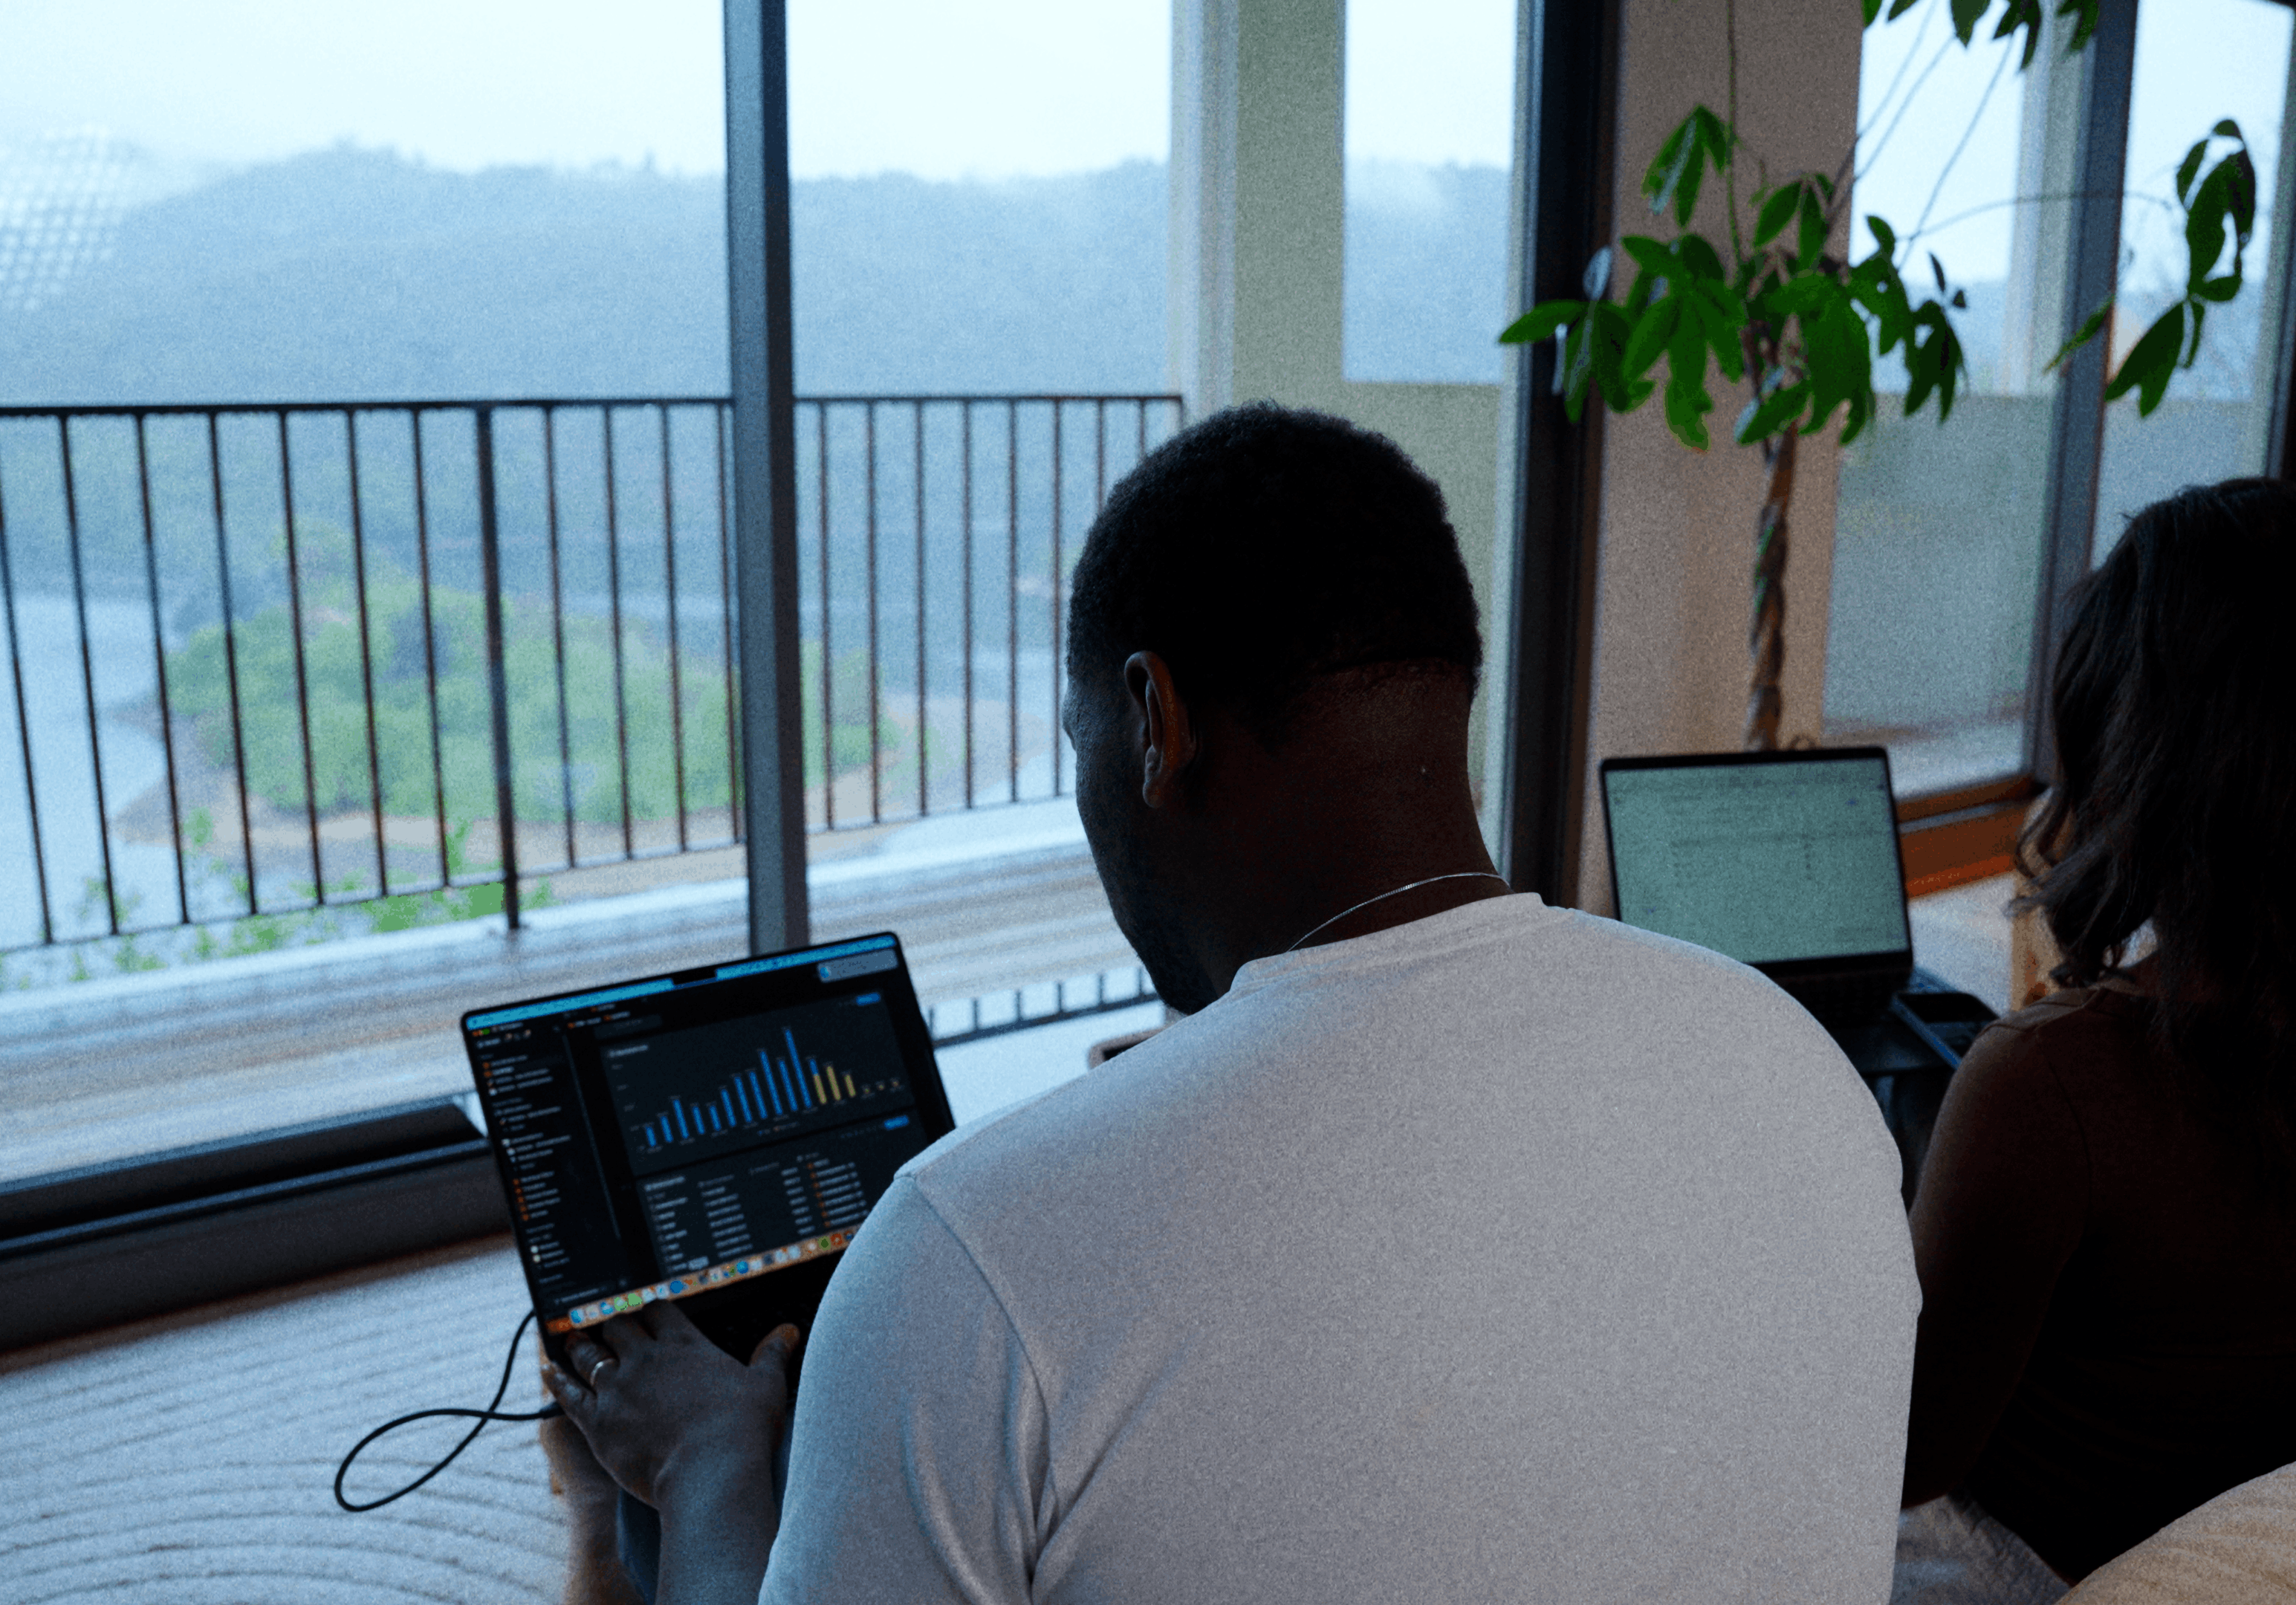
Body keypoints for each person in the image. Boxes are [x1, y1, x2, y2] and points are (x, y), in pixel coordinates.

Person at [539, 403, 1920, 1604]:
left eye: (1079, 739)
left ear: (1154, 719)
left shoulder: (974, 1254)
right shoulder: (1798, 1067)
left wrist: (707, 1465)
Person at [1893, 479, 2296, 1601]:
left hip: (2026, 1558)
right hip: (2269, 1511)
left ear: (2142, 753)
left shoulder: (2056, 1085)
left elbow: (1907, 1456)